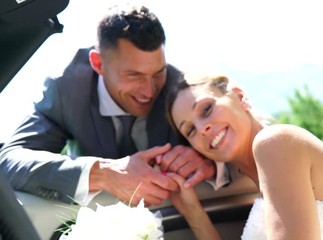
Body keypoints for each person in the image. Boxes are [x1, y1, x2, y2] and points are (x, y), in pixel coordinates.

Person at [0, 3, 229, 207]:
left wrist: (209, 158)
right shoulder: (65, 91)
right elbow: (8, 160)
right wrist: (102, 173)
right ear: (98, 64)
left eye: (158, 72)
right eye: (133, 75)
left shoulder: (180, 87)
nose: (149, 91)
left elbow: (236, 128)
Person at [164, 75, 323, 239]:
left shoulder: (275, 143)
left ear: (239, 96)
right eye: (190, 130)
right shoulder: (262, 177)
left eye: (207, 109)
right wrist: (192, 212)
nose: (202, 128)